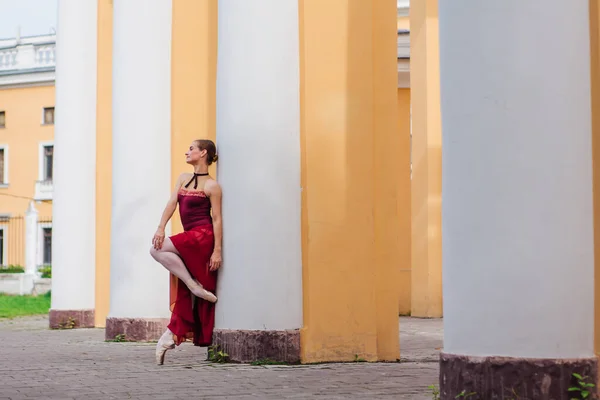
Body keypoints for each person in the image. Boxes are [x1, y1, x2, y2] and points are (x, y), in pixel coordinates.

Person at [149, 139, 223, 365]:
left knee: (155, 251)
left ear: (203, 153)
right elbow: (172, 203)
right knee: (161, 254)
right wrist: (161, 227)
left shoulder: (212, 186)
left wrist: (217, 251)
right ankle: (169, 336)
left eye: (191, 148)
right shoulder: (183, 178)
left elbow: (217, 219)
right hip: (190, 235)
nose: (187, 151)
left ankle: (193, 285)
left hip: (203, 237)